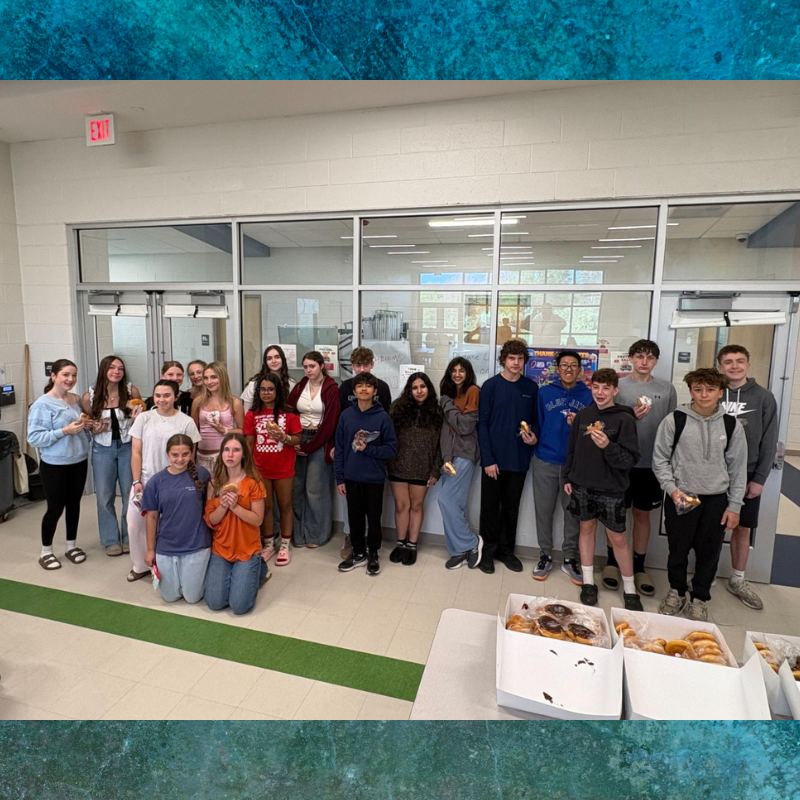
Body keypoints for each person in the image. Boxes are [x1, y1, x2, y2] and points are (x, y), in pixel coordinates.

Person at [652, 368, 747, 621]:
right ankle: (677, 591)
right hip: (682, 496)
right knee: (678, 549)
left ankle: (700, 598)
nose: (703, 395)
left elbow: (738, 468)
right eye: (698, 389)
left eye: (710, 389)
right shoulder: (675, 420)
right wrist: (673, 491)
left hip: (716, 499)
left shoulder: (731, 425)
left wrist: (734, 506)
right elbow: (660, 460)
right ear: (691, 390)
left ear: (720, 392)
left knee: (709, 552)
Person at [563, 368, 642, 610]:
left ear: (615, 390)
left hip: (611, 488)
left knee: (617, 538)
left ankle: (630, 589)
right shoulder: (584, 415)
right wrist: (568, 475)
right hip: (582, 484)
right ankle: (588, 582)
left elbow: (630, 460)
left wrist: (608, 445)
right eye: (596, 387)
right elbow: (572, 450)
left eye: (606, 388)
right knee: (586, 529)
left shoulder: (625, 419)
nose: (600, 392)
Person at [613, 339, 677, 597]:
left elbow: (673, 426)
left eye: (649, 358)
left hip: (652, 463)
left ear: (656, 361)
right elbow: (609, 420)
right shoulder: (618, 386)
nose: (644, 362)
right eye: (639, 356)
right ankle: (612, 563)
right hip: (619, 462)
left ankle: (639, 565)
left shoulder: (667, 389)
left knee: (642, 516)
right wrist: (630, 415)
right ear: (630, 358)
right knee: (615, 516)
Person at [716, 345, 778, 610]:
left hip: (748, 472)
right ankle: (703, 576)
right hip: (714, 473)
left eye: (739, 361)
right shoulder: (713, 393)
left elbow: (769, 441)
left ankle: (738, 579)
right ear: (720, 366)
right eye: (728, 362)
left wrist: (760, 478)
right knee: (710, 526)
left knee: (742, 527)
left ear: (748, 364)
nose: (734, 366)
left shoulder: (764, 398)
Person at [128, 380, 202, 582]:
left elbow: (190, 457)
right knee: (134, 525)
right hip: (145, 479)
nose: (162, 399)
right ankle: (139, 565)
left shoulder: (186, 422)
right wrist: (136, 481)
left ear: (176, 397)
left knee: (163, 525)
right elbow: (136, 452)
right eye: (158, 395)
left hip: (173, 481)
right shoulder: (144, 418)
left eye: (167, 395)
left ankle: (162, 564)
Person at [477, 339, 538, 574]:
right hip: (494, 460)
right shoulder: (490, 386)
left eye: (520, 358)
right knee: (490, 508)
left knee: (512, 508)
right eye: (511, 358)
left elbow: (535, 422)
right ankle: (488, 552)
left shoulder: (531, 388)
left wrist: (534, 437)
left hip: (519, 459)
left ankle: (506, 550)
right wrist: (488, 460)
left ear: (525, 361)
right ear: (504, 360)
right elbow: (483, 426)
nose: (516, 362)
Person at [532, 350, 592, 585]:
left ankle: (570, 558)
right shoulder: (545, 393)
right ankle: (545, 554)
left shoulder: (588, 395)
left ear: (580, 370)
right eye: (564, 365)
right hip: (545, 459)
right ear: (557, 369)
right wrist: (531, 436)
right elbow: (537, 423)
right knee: (543, 511)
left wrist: (578, 426)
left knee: (572, 513)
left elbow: (594, 430)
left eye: (573, 365)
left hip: (575, 464)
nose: (568, 369)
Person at [27, 360, 92, 570]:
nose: (70, 379)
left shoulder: (75, 400)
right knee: (55, 508)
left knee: (74, 504)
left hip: (78, 461)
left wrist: (88, 426)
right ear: (53, 376)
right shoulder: (42, 404)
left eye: (73, 375)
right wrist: (64, 431)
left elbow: (81, 427)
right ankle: (46, 551)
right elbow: (34, 438)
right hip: (54, 464)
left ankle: (71, 546)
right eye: (65, 375)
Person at [334, 373, 397, 576]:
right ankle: (358, 552)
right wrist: (339, 478)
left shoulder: (382, 417)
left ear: (375, 391)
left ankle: (373, 553)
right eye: (359, 386)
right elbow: (340, 449)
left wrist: (367, 449)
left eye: (368, 386)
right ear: (354, 392)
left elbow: (391, 449)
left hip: (374, 478)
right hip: (351, 477)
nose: (364, 389)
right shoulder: (346, 416)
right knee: (355, 518)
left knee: (374, 517)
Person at [81, 355, 143, 556]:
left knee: (129, 493)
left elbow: (142, 422)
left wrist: (136, 419)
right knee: (105, 496)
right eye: (112, 368)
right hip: (102, 450)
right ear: (104, 370)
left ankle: (128, 537)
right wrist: (94, 428)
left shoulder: (130, 391)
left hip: (127, 447)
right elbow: (87, 425)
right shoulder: (89, 396)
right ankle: (110, 540)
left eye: (120, 368)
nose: (117, 372)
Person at [142, 434, 212, 604]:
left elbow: (211, 509)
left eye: (185, 454)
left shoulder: (202, 475)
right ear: (167, 454)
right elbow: (151, 517)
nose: (180, 459)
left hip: (196, 544)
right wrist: (151, 550)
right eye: (175, 455)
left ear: (192, 453)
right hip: (167, 546)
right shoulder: (156, 482)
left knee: (192, 597)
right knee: (170, 597)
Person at [204, 433, 269, 615]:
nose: (230, 455)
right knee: (215, 603)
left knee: (239, 607)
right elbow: (211, 520)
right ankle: (240, 574)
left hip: (247, 549)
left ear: (244, 455)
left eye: (236, 450)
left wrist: (235, 507)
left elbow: (258, 519)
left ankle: (260, 567)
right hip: (221, 549)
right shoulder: (214, 483)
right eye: (226, 450)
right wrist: (223, 507)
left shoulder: (253, 483)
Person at [244, 372, 302, 566]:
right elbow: (249, 442)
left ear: (278, 391)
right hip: (261, 469)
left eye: (270, 389)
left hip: (284, 468)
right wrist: (249, 468)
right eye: (262, 389)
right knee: (266, 507)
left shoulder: (290, 413)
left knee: (285, 506)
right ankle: (268, 544)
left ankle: (285, 544)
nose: (266, 393)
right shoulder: (252, 414)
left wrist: (283, 438)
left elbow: (297, 438)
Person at [387, 372, 443, 566]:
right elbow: (388, 437)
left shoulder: (437, 412)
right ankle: (400, 543)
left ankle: (412, 544)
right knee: (402, 506)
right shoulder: (397, 408)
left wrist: (436, 470)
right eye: (415, 388)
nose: (419, 391)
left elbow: (441, 446)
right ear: (409, 391)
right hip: (398, 466)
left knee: (416, 506)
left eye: (423, 387)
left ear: (428, 388)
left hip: (423, 468)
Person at [287, 351, 341, 548]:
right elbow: (291, 411)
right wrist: (295, 440)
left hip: (320, 440)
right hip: (299, 437)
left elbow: (330, 423)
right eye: (306, 366)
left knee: (315, 490)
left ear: (321, 366)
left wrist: (310, 446)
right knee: (297, 488)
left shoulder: (331, 388)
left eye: (312, 366)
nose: (308, 370)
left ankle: (317, 534)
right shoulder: (300, 386)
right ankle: (299, 533)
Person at [438, 357, 483, 570]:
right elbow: (447, 431)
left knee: (444, 499)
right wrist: (445, 458)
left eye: (461, 370)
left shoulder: (473, 391)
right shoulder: (450, 395)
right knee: (456, 504)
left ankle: (472, 542)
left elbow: (465, 427)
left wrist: (447, 404)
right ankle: (459, 551)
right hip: (451, 456)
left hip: (465, 454)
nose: (457, 374)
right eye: (453, 370)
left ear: (468, 373)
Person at [191, 361, 245, 473]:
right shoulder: (198, 401)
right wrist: (192, 456)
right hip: (201, 455)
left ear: (222, 378)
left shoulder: (234, 402)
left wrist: (224, 430)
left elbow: (243, 431)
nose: (209, 382)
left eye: (214, 377)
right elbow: (193, 431)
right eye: (206, 378)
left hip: (223, 456)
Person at [338, 347, 392, 413]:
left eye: (366, 365)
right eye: (358, 365)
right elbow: (340, 412)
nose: (362, 370)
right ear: (352, 366)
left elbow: (386, 413)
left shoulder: (382, 387)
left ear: (372, 365)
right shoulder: (345, 387)